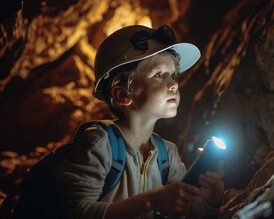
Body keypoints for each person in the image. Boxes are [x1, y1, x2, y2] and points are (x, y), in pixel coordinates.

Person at [55, 25, 224, 219]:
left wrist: (213, 191)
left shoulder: (167, 154)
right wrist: (152, 200)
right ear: (123, 94)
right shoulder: (100, 143)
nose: (174, 84)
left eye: (173, 75)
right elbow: (76, 212)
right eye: (159, 75)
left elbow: (192, 211)